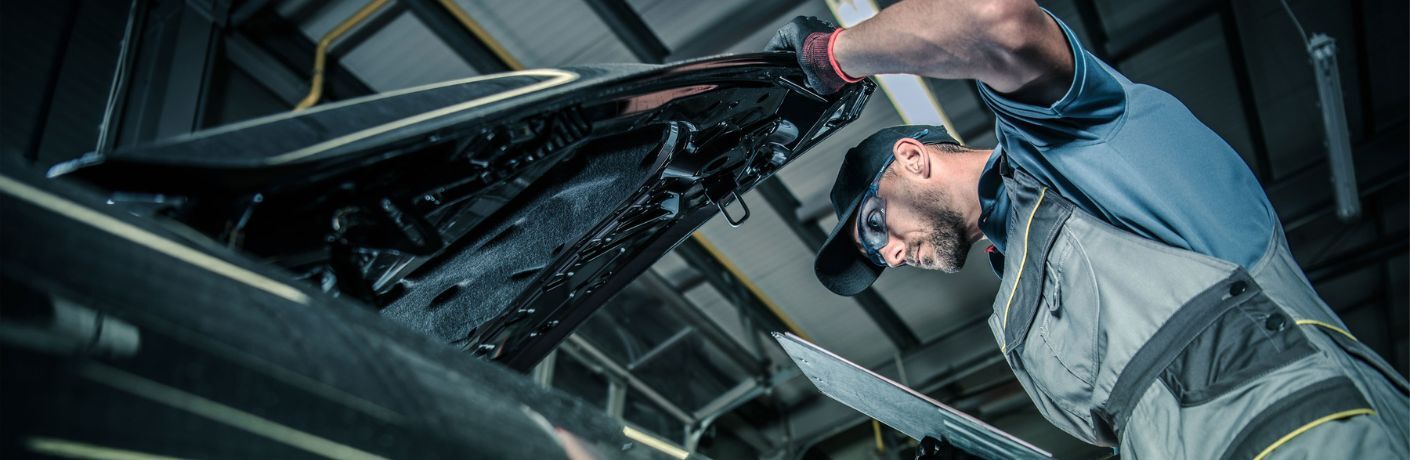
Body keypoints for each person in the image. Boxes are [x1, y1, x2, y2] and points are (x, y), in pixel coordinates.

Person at [764, 1, 1410, 457]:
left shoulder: (1064, 142)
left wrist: (833, 56)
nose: (892, 253)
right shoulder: (1020, 290)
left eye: (876, 224)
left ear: (911, 156)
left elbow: (996, 23)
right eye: (878, 256)